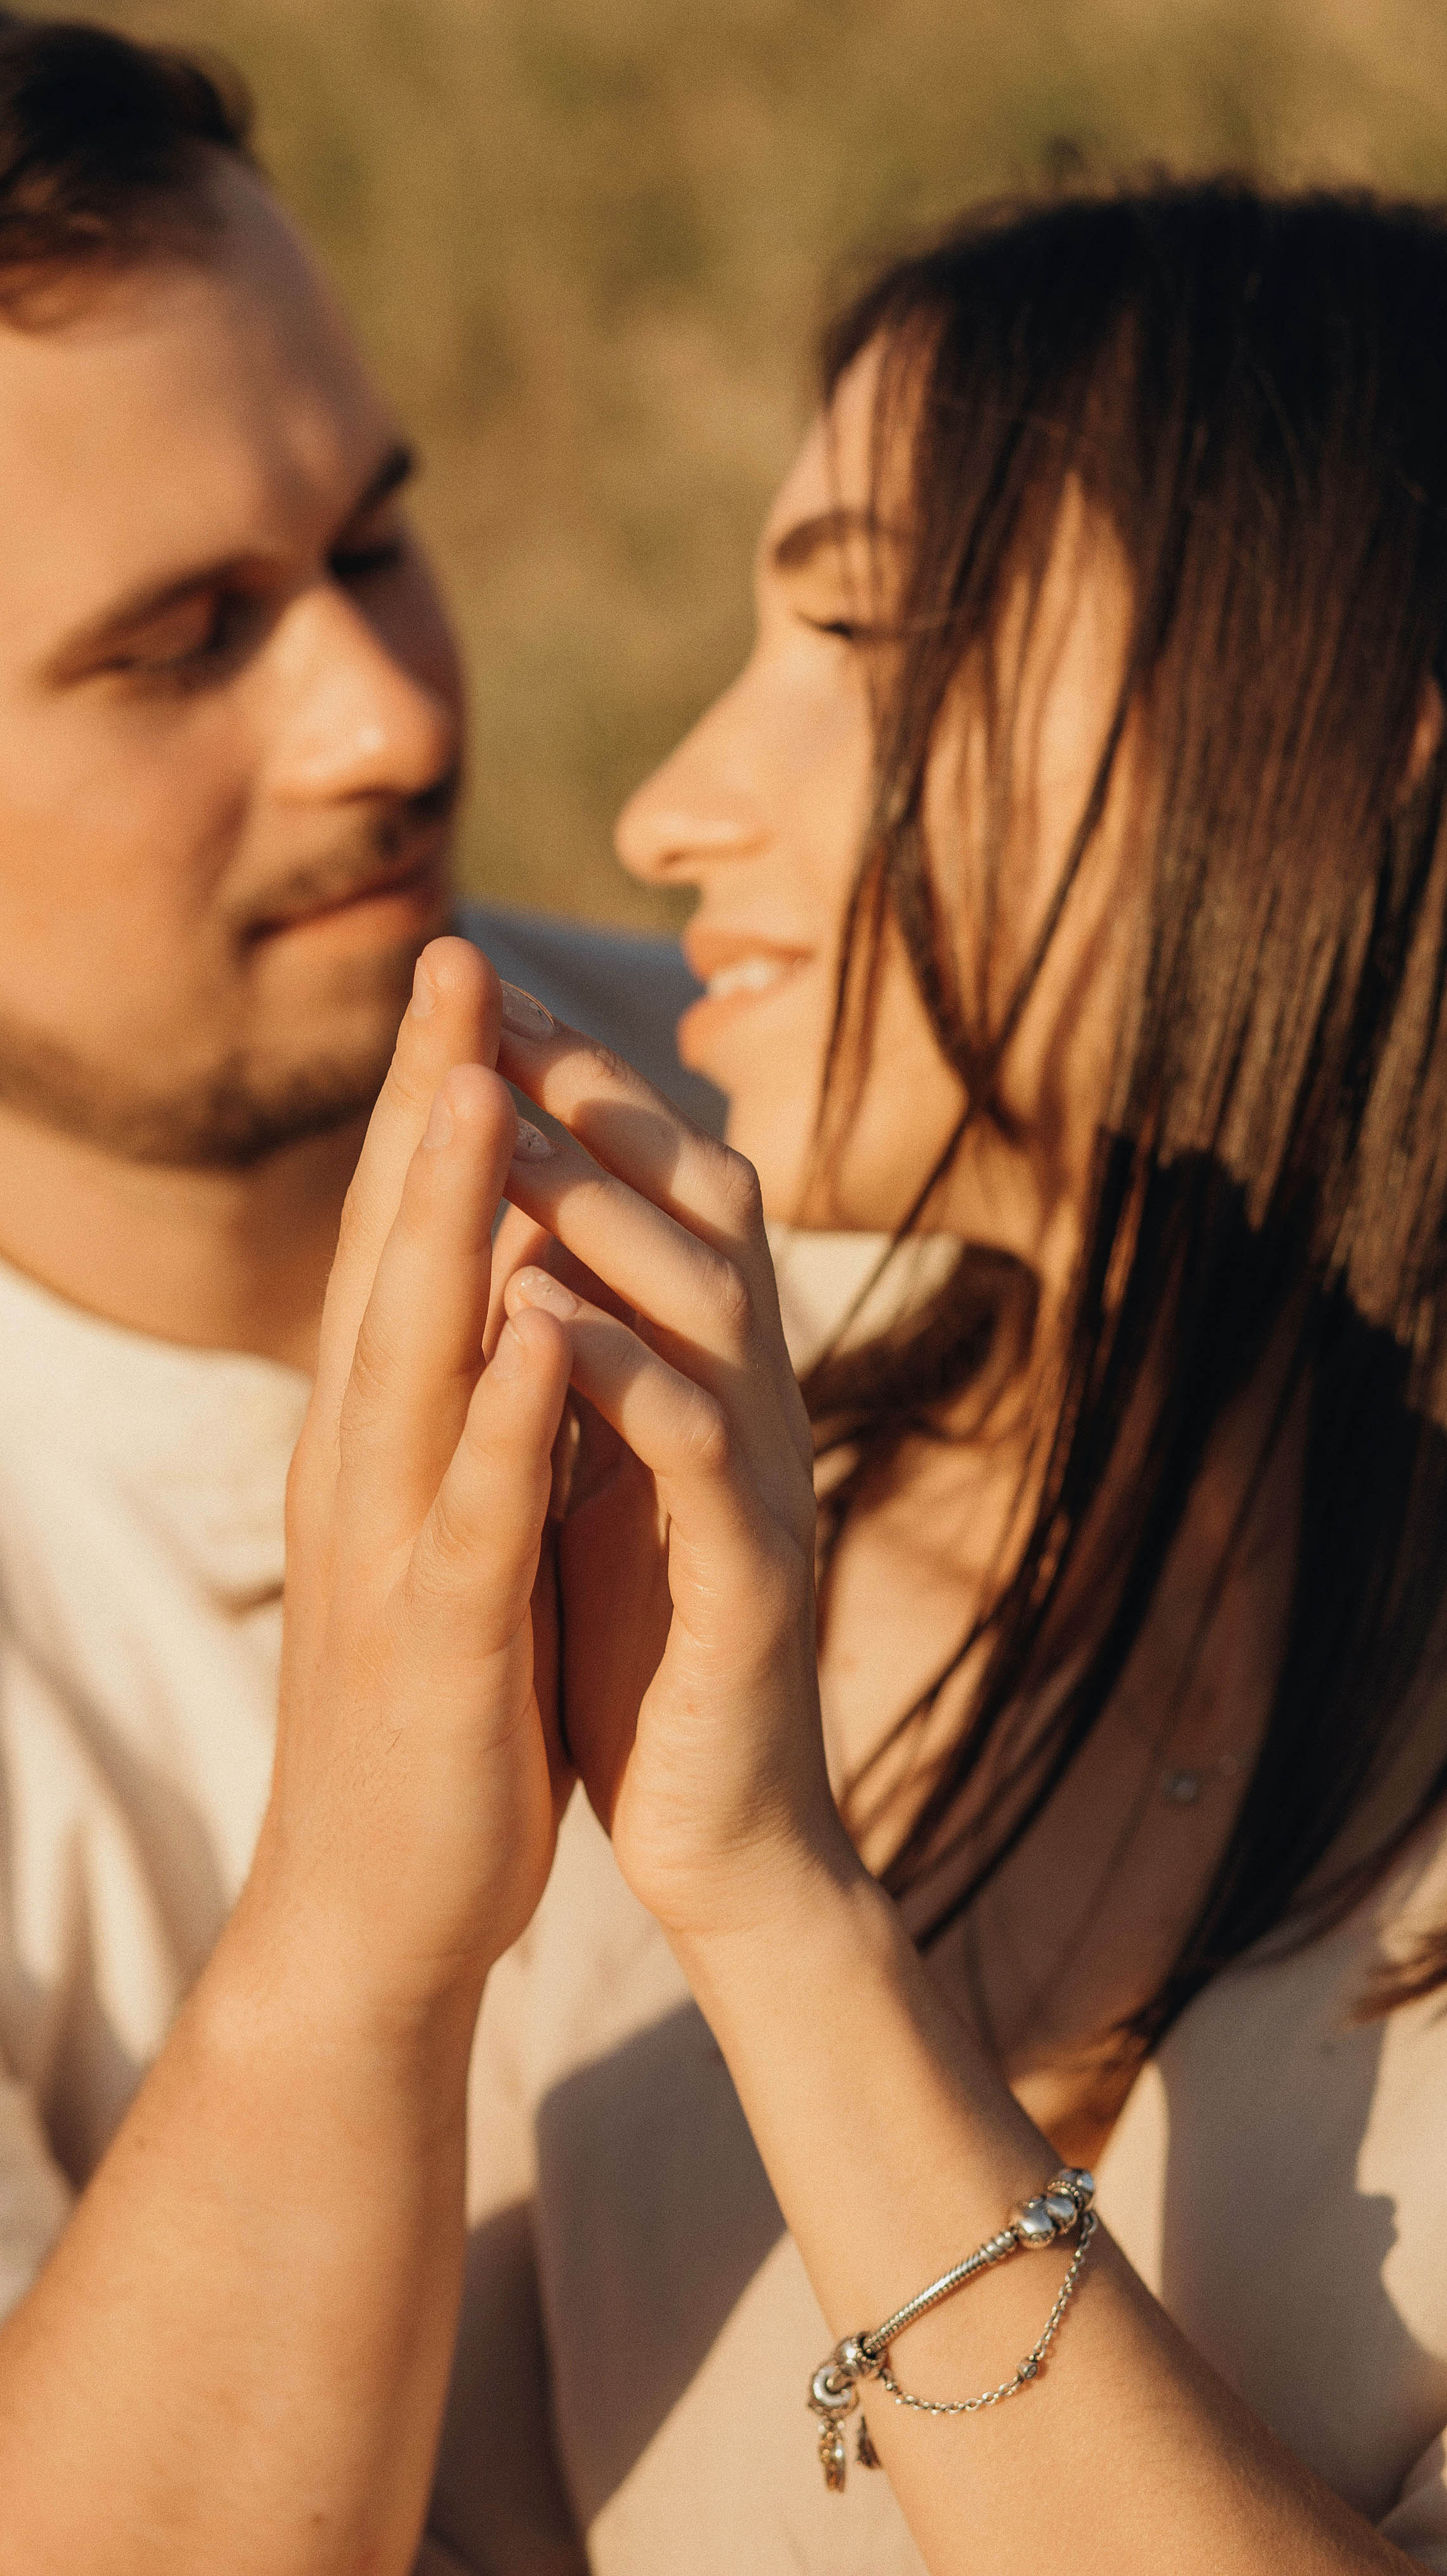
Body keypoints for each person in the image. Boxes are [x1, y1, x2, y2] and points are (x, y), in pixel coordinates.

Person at [0, 5, 713, 2568]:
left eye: (371, 539)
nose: (385, 718)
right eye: (178, 643)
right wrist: (360, 1945)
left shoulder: (818, 1139)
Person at [400, 180, 1447, 2571]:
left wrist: (780, 1912)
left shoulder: (725, 1704)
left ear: (1350, 729)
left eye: (864, 634)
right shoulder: (703, 1528)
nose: (673, 811)